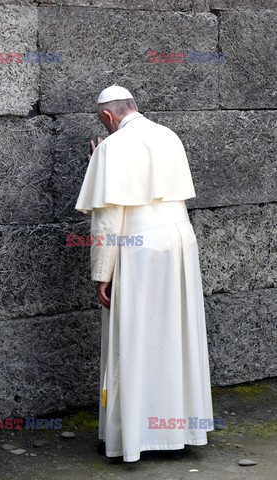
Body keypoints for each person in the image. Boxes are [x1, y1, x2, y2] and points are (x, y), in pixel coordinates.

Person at [75, 85, 214, 462]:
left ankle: (133, 437)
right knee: (176, 335)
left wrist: (102, 274)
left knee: (134, 337)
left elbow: (108, 219)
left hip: (138, 248)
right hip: (180, 241)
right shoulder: (169, 135)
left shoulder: (110, 148)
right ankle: (180, 432)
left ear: (108, 116)